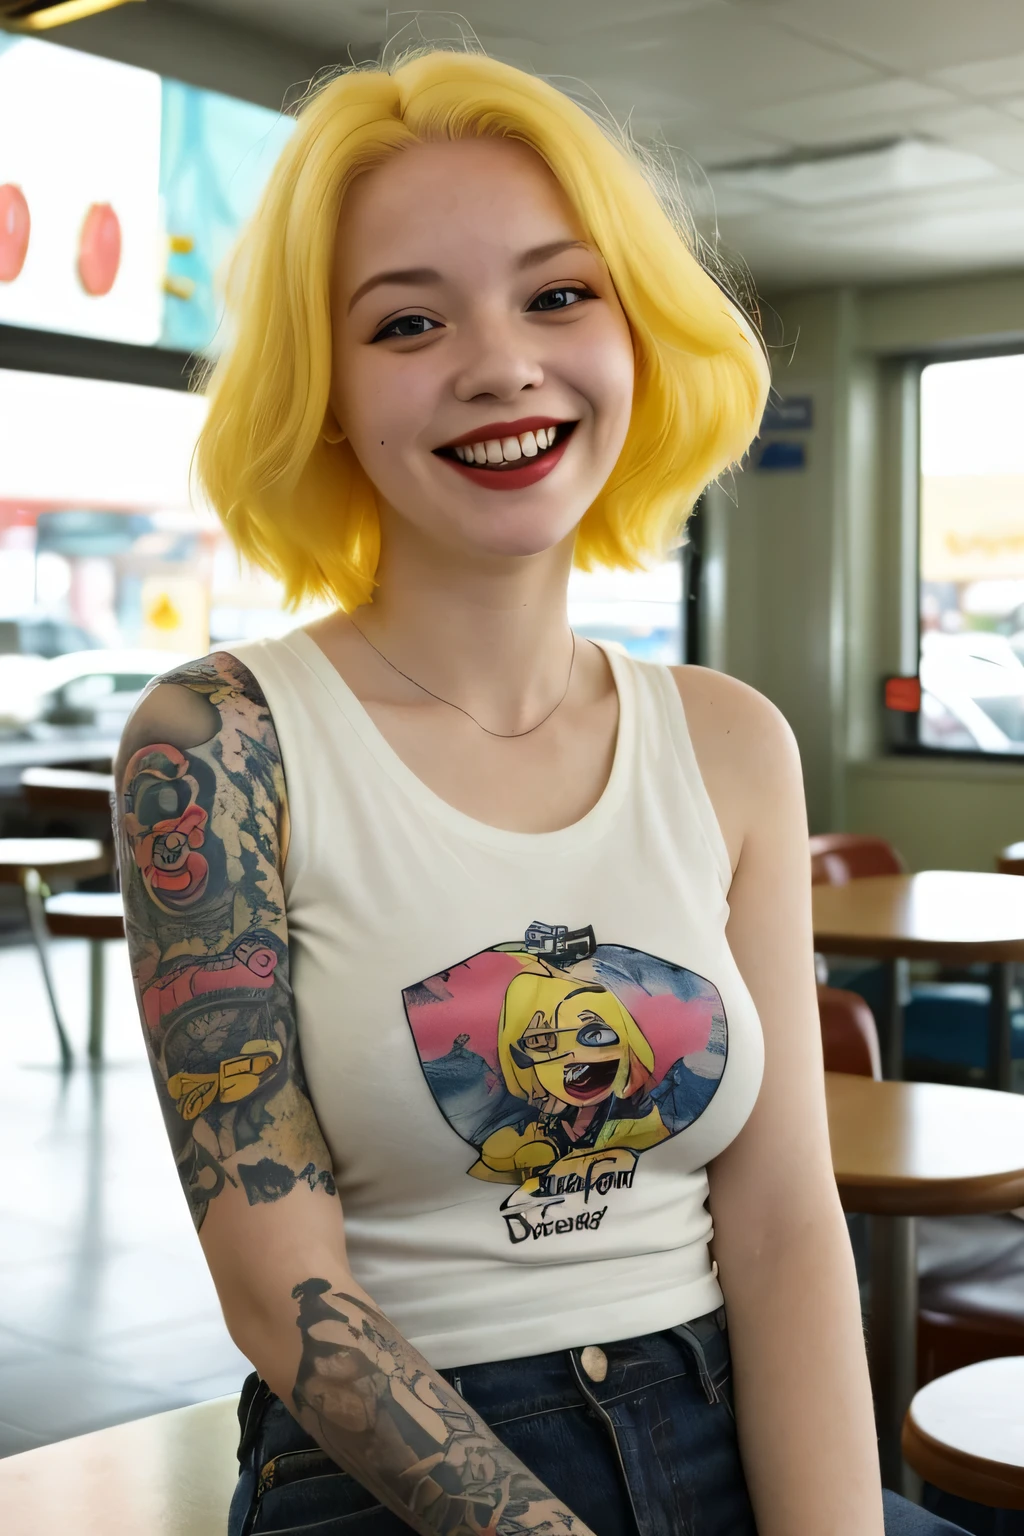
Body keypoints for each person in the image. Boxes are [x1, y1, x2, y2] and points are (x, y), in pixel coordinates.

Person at [114, 45, 971, 1536]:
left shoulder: (730, 740)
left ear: (638, 334)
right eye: (408, 320)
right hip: (390, 1476)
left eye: (558, 294)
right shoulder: (219, 743)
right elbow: (281, 1291)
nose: (500, 361)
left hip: (727, 1427)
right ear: (323, 393)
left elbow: (779, 1226)